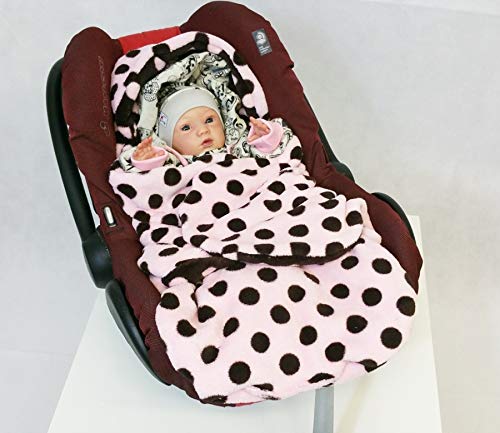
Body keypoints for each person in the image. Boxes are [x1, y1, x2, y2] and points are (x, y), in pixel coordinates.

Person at [131, 85, 284, 169]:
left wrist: (264, 137)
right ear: (168, 142)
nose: (203, 130)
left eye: (209, 120)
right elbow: (151, 186)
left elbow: (274, 154)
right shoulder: (172, 164)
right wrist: (148, 161)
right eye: (186, 128)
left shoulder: (238, 146)